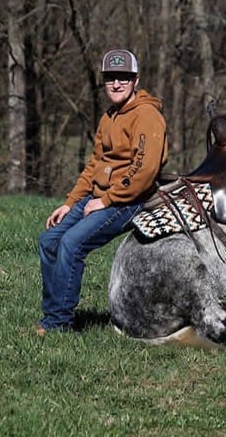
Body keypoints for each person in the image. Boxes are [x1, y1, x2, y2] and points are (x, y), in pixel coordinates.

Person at [36, 49, 168, 335]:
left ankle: (58, 323)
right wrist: (70, 203)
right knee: (49, 240)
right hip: (99, 197)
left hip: (129, 200)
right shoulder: (109, 117)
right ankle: (51, 313)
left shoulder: (147, 116)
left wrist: (106, 200)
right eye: (110, 78)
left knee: (72, 243)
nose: (116, 84)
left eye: (123, 78)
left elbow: (144, 171)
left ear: (135, 80)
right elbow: (95, 165)